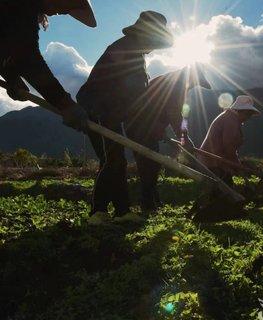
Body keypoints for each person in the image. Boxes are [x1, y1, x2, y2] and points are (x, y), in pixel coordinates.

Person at [76, 11, 174, 224]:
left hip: (111, 112)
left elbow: (135, 98)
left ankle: (122, 211)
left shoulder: (135, 53)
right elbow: (135, 96)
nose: (154, 48)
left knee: (116, 159)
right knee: (112, 160)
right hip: (97, 110)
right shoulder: (125, 49)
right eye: (155, 42)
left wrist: (152, 126)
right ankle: (98, 211)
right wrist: (151, 124)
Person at [125, 64, 211, 212]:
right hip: (138, 127)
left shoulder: (176, 84)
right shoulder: (176, 84)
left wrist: (164, 130)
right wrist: (184, 138)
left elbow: (176, 112)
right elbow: (173, 113)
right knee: (148, 166)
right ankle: (148, 205)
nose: (194, 87)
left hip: (144, 126)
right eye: (195, 83)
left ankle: (153, 202)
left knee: (152, 165)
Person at [0, 0, 96, 132]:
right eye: (63, 7)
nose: (58, 13)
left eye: (65, 12)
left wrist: (10, 75)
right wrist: (64, 104)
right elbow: (27, 58)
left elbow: (10, 47)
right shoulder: (22, 5)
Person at [198, 95, 261, 184]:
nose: (249, 117)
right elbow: (229, 145)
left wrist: (235, 163)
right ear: (242, 111)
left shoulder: (230, 118)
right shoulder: (230, 120)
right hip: (213, 163)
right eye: (248, 114)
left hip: (215, 162)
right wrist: (236, 164)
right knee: (224, 190)